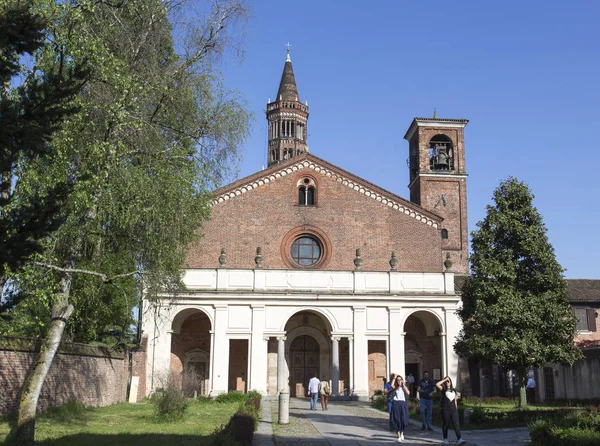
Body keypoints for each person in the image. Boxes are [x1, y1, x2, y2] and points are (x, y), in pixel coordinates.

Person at [436, 376, 466, 445]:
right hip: (445, 409)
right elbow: (437, 384)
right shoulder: (443, 389)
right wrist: (444, 380)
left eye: (448, 381)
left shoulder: (453, 390)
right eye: (446, 381)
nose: (447, 382)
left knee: (456, 424)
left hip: (453, 409)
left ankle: (459, 438)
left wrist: (456, 409)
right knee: (446, 424)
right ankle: (445, 438)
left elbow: (455, 400)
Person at [389, 375, 410, 443]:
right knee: (396, 419)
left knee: (403, 419)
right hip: (396, 404)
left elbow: (408, 393)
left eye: (400, 379)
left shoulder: (403, 387)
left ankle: (402, 432)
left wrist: (404, 385)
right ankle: (398, 436)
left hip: (403, 404)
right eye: (398, 380)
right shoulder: (395, 387)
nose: (399, 381)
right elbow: (392, 385)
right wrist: (394, 378)